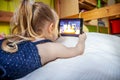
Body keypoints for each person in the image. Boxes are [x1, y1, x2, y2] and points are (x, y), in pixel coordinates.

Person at [0, 0, 86, 79]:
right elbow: (78, 50)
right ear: (51, 28)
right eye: (56, 27)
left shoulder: (17, 39)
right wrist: (82, 39)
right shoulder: (51, 48)